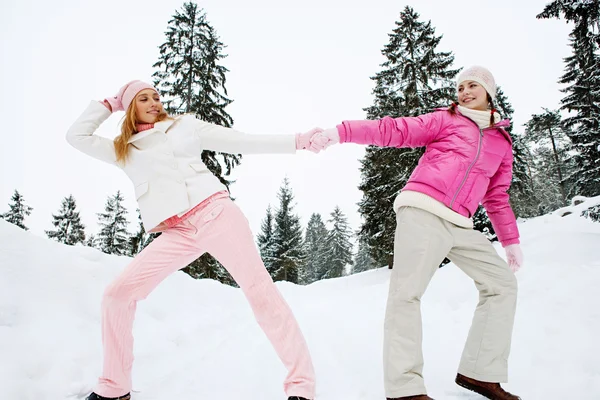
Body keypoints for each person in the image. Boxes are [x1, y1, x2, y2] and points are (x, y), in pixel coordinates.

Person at [66, 80, 325, 400]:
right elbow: (76, 137)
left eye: (156, 97)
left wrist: (298, 141)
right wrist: (109, 103)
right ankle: (114, 388)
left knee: (260, 293)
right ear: (130, 106)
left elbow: (240, 141)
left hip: (216, 214)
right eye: (143, 98)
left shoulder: (184, 126)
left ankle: (301, 387)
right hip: (177, 230)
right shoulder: (125, 150)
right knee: (117, 294)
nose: (154, 102)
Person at [312, 66, 523, 400]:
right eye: (461, 86)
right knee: (406, 295)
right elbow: (393, 129)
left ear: (489, 92)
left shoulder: (501, 142)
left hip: (461, 223)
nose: (465, 91)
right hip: (423, 210)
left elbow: (496, 197)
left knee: (502, 286)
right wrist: (340, 132)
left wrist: (510, 242)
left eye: (473, 85)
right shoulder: (446, 120)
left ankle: (481, 373)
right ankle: (404, 388)